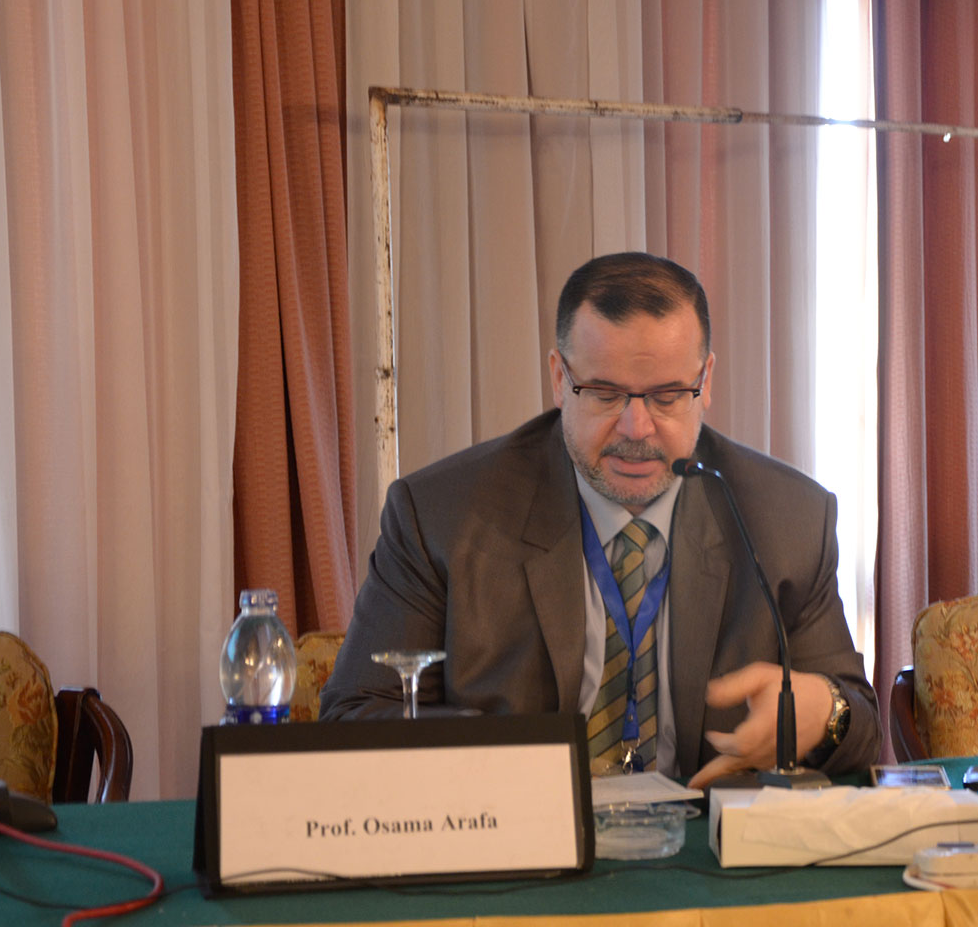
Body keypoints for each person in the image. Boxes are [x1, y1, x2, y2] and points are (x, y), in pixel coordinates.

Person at [320, 252, 879, 788]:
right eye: (605, 394)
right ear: (559, 379)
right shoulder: (441, 516)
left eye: (667, 396)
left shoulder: (788, 519)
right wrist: (504, 757)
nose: (636, 428)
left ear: (705, 382)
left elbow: (860, 725)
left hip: (705, 841)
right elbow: (354, 715)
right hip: (524, 835)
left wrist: (826, 713)